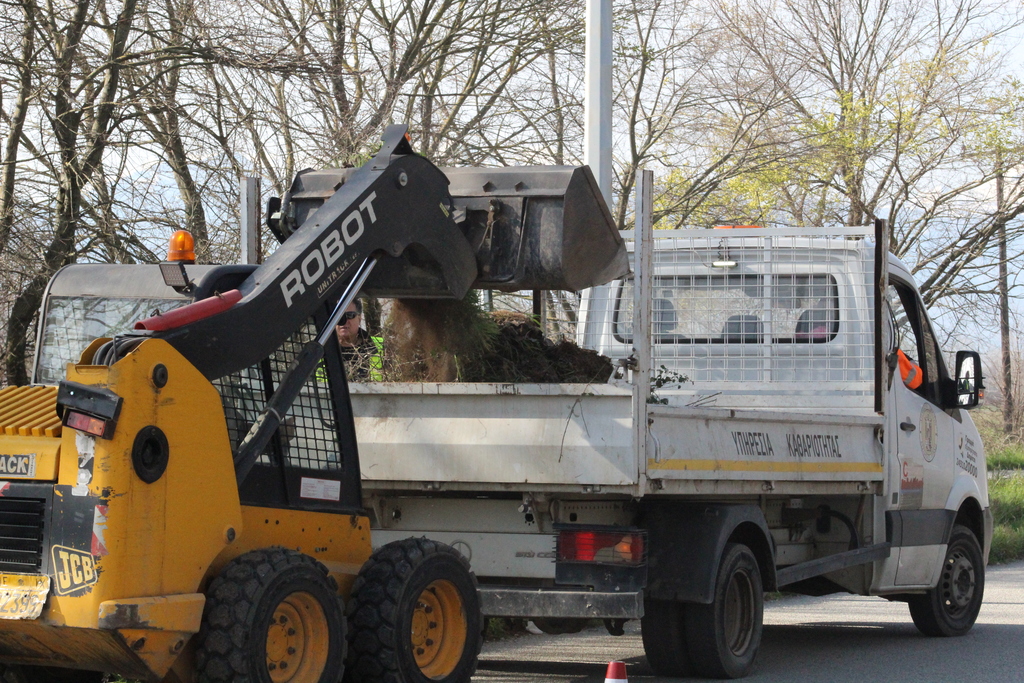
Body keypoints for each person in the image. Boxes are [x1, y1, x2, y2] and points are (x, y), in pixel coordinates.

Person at [336, 299, 382, 381]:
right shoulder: (320, 348)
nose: (343, 321)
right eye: (338, 315)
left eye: (349, 315)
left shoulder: (380, 348)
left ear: (359, 319)